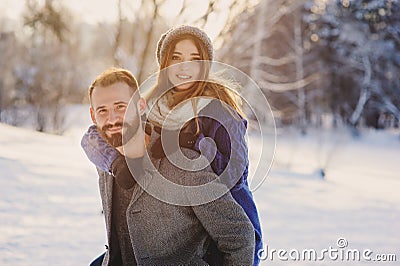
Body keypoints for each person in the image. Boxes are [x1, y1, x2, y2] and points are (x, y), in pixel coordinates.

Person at [81, 67, 255, 265]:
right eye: (102, 111)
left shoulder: (184, 164)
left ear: (140, 106)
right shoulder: (106, 164)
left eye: (121, 107)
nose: (112, 119)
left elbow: (239, 237)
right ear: (93, 116)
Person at [145, 25, 263, 265]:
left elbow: (234, 173)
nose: (184, 67)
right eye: (176, 58)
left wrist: (193, 144)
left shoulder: (219, 108)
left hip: (220, 234)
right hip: (170, 235)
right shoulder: (151, 108)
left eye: (194, 59)